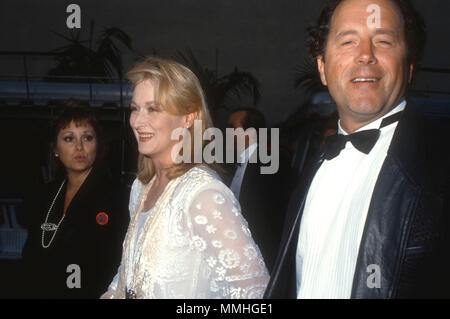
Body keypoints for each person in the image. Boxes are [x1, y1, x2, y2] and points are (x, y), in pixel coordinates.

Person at [265, 0, 450, 299]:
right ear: (323, 68)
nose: (366, 55)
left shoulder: (440, 170)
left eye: (384, 41)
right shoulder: (310, 171)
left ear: (410, 65)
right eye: (349, 41)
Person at [101, 57, 269, 299]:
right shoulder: (141, 187)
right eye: (135, 109)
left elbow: (256, 291)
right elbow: (131, 271)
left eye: (153, 109)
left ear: (188, 118)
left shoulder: (203, 194)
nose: (137, 121)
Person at [21, 101, 128, 298]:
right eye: (69, 138)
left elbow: (116, 265)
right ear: (55, 148)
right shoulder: (45, 195)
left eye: (87, 138)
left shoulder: (118, 198)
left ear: (98, 145)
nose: (79, 147)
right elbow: (31, 258)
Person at [225, 108, 289, 272]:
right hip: (235, 256)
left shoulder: (272, 166)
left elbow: (275, 221)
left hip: (262, 261)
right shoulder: (230, 165)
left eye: (232, 127)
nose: (226, 133)